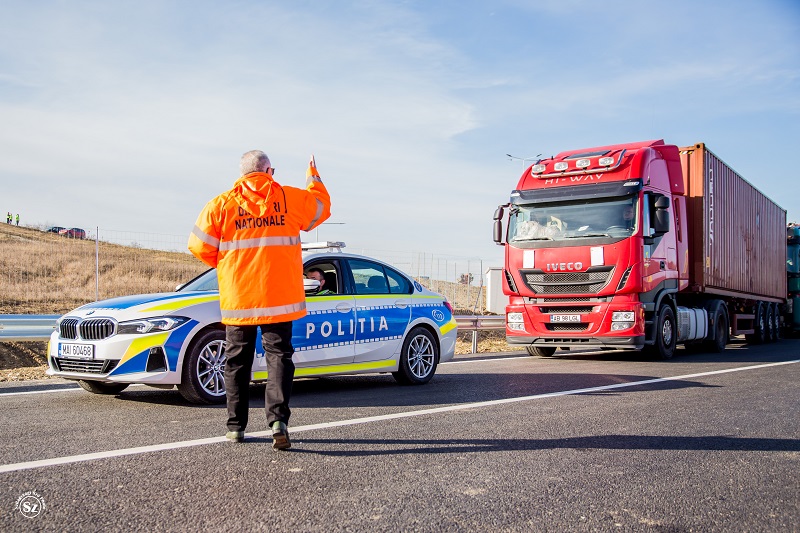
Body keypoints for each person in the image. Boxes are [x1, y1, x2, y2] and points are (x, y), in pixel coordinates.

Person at [188, 150, 331, 450]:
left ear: (242, 174)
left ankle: (235, 427)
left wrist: (229, 266)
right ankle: (278, 422)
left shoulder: (221, 205)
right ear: (269, 172)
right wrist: (313, 176)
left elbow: (198, 245)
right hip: (279, 297)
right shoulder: (288, 199)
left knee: (236, 360)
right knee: (278, 357)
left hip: (240, 298)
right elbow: (320, 208)